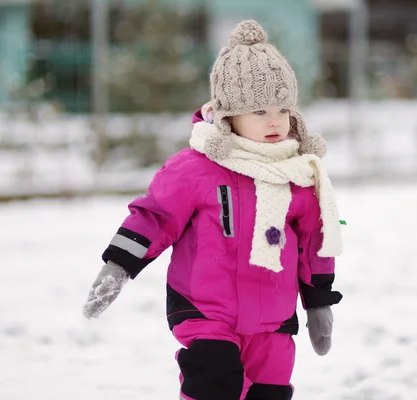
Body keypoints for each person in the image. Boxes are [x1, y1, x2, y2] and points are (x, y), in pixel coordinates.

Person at [82, 20, 343, 400]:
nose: (274, 119)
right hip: (206, 310)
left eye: (282, 107)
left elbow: (313, 243)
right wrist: (120, 264)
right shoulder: (195, 168)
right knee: (215, 382)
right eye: (258, 110)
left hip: (273, 317)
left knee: (270, 391)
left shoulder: (298, 174)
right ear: (229, 115)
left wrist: (319, 301)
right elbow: (155, 216)